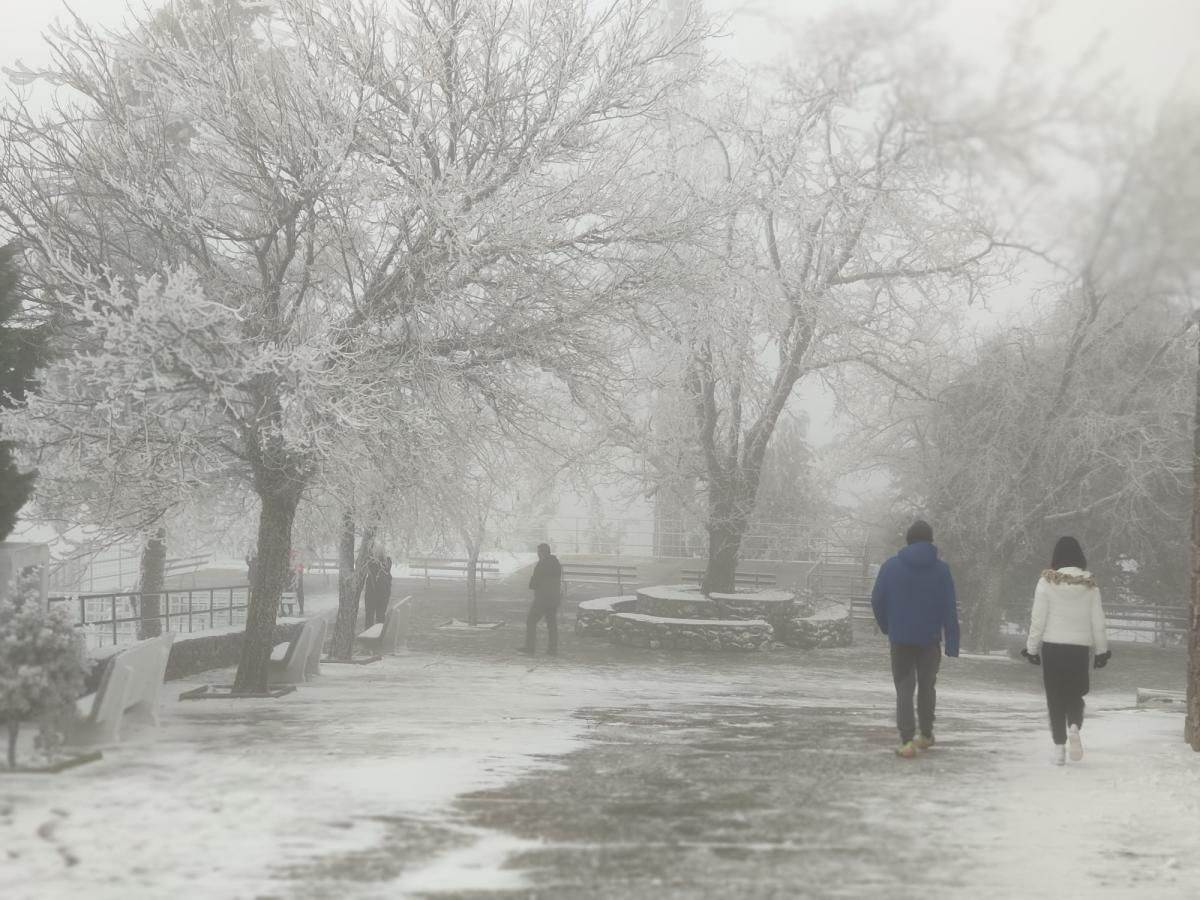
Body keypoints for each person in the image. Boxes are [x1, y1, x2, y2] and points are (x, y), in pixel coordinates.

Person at [870, 520, 960, 758]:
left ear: (908, 540)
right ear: (930, 541)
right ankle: (926, 734)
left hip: (900, 638)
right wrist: (952, 641)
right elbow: (949, 607)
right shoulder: (942, 570)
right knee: (927, 686)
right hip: (929, 639)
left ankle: (906, 741)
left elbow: (877, 599)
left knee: (904, 687)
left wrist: (887, 626)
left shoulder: (890, 567)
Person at [1022, 536, 1110, 766]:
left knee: (1055, 697)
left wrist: (1032, 648)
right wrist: (1102, 651)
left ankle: (1059, 747)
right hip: (1079, 648)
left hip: (1053, 647)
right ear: (1080, 556)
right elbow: (1097, 620)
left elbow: (1038, 619)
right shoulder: (1090, 585)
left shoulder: (1046, 583)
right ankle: (1074, 726)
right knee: (1075, 693)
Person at [522, 543, 562, 656]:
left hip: (542, 598)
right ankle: (552, 649)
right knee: (552, 624)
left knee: (531, 621)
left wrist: (533, 581)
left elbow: (533, 584)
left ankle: (530, 647)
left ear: (542, 552)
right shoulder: (556, 563)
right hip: (554, 598)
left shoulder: (541, 564)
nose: (538, 554)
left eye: (539, 552)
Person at [363, 548, 393, 629]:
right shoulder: (388, 562)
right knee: (380, 616)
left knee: (369, 617)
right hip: (384, 594)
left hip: (372, 594)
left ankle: (369, 634)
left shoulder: (371, 563)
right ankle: (379, 635)